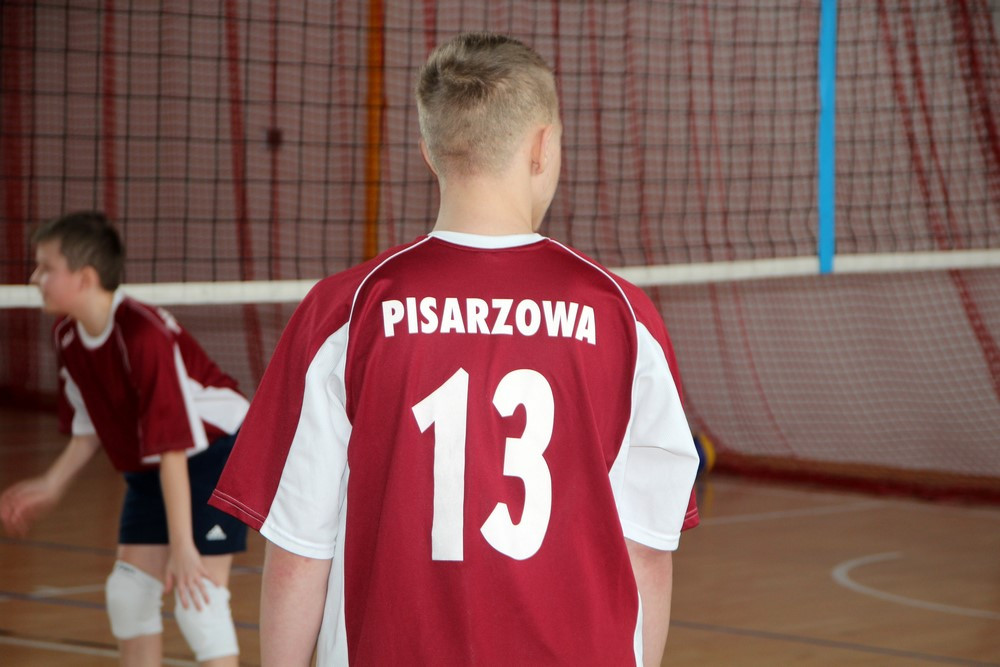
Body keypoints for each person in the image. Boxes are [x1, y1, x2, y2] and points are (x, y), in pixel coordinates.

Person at [210, 32, 700, 666]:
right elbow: (647, 548)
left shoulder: (348, 310)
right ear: (543, 146)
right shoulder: (623, 316)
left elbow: (300, 553)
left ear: (429, 152)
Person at [0, 210, 249, 666]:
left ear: (85, 277)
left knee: (200, 601)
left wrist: (182, 547)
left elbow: (173, 447)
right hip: (155, 462)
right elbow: (89, 426)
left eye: (46, 267)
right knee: (129, 594)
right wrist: (52, 484)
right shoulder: (68, 335)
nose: (34, 278)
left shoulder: (142, 335)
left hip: (216, 452)